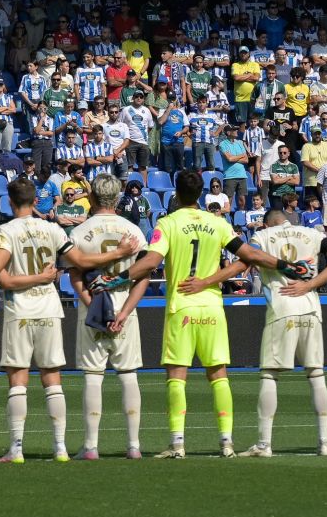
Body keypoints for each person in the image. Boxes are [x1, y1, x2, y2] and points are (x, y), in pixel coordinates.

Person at [113, 168, 305, 459]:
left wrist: (117, 278)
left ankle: (177, 444)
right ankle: (226, 442)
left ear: (176, 193)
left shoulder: (167, 223)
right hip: (212, 307)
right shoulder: (217, 223)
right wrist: (283, 265)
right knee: (219, 375)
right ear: (202, 193)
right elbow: (248, 256)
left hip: (182, 306)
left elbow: (151, 261)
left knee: (177, 376)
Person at [218, 205, 327, 456]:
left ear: (266, 223)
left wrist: (214, 278)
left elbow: (246, 261)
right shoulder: (313, 233)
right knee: (316, 375)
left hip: (282, 308)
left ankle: (264, 444)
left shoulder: (261, 237)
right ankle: (324, 442)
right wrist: (313, 284)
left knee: (269, 375)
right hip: (311, 308)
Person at [0, 179, 72, 463]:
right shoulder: (53, 229)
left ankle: (16, 447)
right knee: (52, 378)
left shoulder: (6, 230)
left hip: (21, 310)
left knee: (17, 379)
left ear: (11, 202)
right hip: (50, 308)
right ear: (36, 201)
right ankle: (61, 447)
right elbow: (76, 258)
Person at [59, 175, 147, 460]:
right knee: (128, 374)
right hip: (125, 305)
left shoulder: (79, 232)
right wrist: (123, 313)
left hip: (93, 306)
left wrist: (93, 306)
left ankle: (91, 446)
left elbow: (74, 277)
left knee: (94, 376)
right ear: (118, 198)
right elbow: (143, 277)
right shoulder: (133, 230)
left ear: (92, 198)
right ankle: (133, 445)